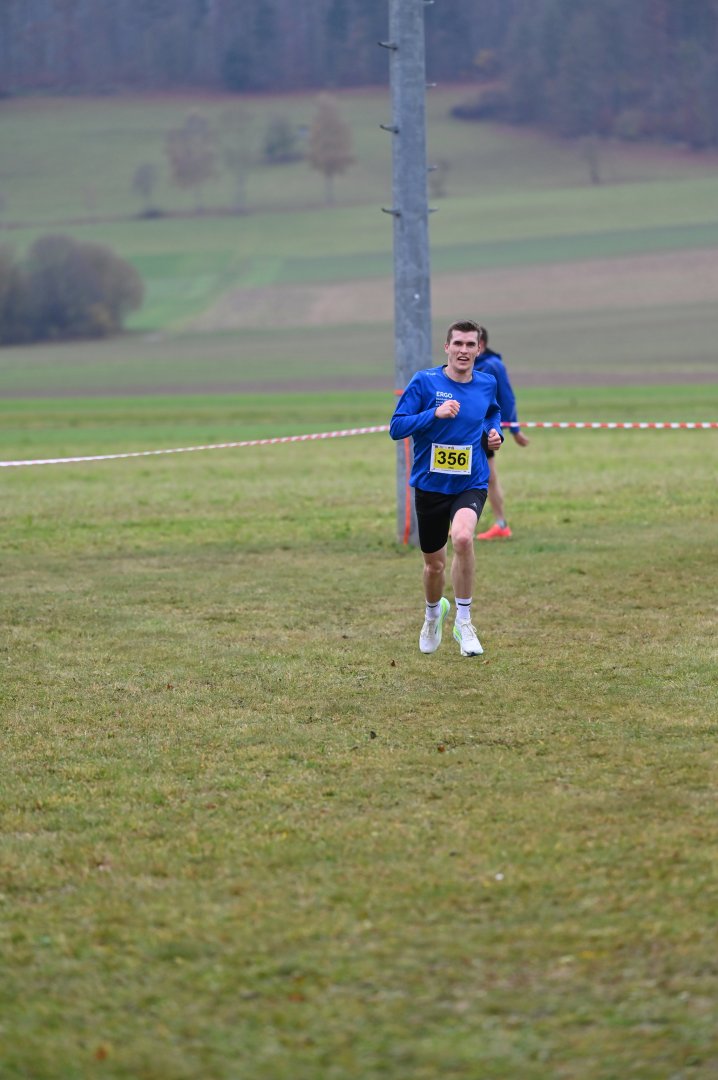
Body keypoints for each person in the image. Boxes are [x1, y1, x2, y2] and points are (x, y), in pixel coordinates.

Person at [390, 320, 503, 657]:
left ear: (479, 349)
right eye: (458, 344)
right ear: (447, 347)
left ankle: (464, 623)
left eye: (470, 345)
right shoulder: (425, 382)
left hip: (470, 481)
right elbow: (396, 427)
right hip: (431, 486)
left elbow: (491, 413)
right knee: (434, 566)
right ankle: (432, 614)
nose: (463, 350)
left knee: (464, 538)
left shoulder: (487, 382)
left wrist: (494, 432)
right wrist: (433, 414)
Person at [473, 325, 529, 540]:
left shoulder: (492, 365)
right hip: (466, 429)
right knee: (471, 475)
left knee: (488, 476)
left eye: (470, 344)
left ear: (481, 344)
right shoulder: (466, 366)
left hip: (484, 429)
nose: (464, 349)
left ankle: (500, 524)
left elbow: (507, 397)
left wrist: (515, 430)